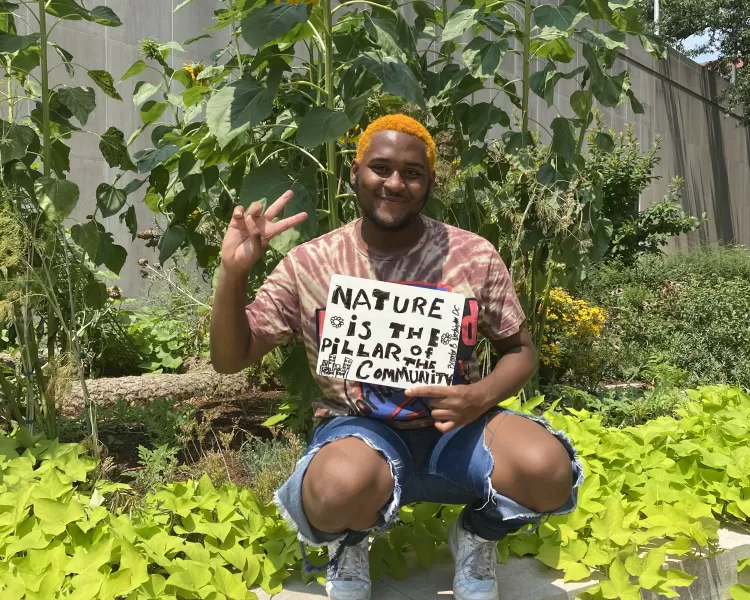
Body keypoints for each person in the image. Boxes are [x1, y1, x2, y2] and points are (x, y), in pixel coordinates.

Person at [211, 114, 583, 600]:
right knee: (337, 488)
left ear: (429, 181)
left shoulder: (471, 255)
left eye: (412, 172)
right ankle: (349, 540)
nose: (394, 183)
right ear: (354, 172)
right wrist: (232, 273)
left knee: (548, 470)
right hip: (361, 431)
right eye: (380, 168)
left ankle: (478, 534)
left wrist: (479, 396)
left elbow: (520, 351)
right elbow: (229, 358)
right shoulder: (312, 263)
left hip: (460, 430)